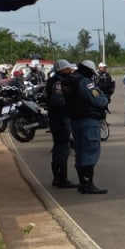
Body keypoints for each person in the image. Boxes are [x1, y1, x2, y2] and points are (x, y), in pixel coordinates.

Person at [66, 60, 110, 194]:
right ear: (88, 70)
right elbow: (98, 99)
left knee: (80, 151)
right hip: (88, 120)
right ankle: (88, 184)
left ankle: (83, 183)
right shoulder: (85, 82)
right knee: (90, 150)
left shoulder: (71, 80)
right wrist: (104, 98)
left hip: (76, 120)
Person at [46, 60, 77, 189]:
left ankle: (58, 178)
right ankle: (61, 179)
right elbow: (58, 101)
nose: (69, 71)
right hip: (60, 119)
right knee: (63, 148)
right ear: (61, 70)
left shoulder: (55, 80)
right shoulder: (58, 83)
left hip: (57, 119)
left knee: (60, 148)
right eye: (67, 69)